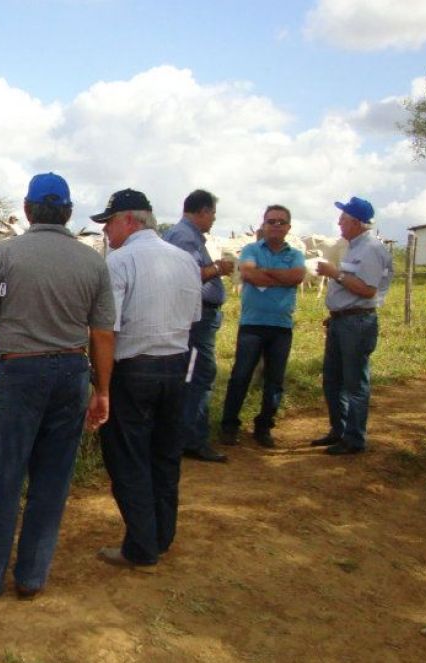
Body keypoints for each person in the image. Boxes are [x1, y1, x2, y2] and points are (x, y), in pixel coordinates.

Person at [0, 173, 115, 599]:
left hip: (18, 375)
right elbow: (104, 334)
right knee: (52, 482)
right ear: (69, 212)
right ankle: (32, 577)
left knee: (3, 478)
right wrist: (102, 389)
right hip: (72, 373)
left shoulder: (5, 255)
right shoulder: (92, 261)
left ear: (27, 209)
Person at [93, 189, 201, 569]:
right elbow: (193, 318)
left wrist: (101, 385)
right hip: (177, 365)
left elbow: (108, 329)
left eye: (109, 223)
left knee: (128, 457)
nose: (106, 231)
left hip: (134, 367)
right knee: (166, 454)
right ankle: (161, 535)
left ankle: (141, 546)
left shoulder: (119, 262)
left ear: (128, 220)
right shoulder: (186, 260)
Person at [217, 205, 306, 448]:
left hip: (281, 326)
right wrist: (280, 277)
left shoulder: (296, 254)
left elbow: (297, 277)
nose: (276, 225)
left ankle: (264, 426)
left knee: (274, 380)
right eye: (271, 221)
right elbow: (249, 274)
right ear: (263, 225)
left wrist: (264, 272)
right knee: (240, 376)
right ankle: (229, 426)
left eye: (281, 222)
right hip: (252, 325)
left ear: (288, 227)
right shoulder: (250, 249)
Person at [311, 196, 392, 456]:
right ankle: (340, 430)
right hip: (343, 320)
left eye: (343, 219)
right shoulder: (355, 247)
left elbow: (367, 291)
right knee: (333, 379)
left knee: (354, 383)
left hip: (357, 323)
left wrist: (335, 274)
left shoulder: (370, 249)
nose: (339, 222)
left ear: (356, 222)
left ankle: (354, 438)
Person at [164, 189, 232, 463]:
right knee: (197, 376)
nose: (214, 218)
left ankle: (185, 436)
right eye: (213, 213)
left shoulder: (183, 235)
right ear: (202, 211)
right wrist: (218, 269)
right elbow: (189, 275)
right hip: (197, 319)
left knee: (193, 376)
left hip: (197, 318)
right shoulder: (184, 237)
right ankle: (190, 439)